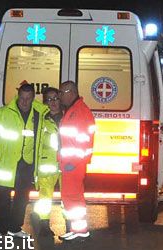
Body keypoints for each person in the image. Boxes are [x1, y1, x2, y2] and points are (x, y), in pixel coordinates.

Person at [0, 83, 49, 238]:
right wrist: (1, 149)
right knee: (2, 198)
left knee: (22, 198)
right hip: (6, 163)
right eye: (22, 98)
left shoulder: (39, 114)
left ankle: (14, 228)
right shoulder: (3, 113)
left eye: (28, 98)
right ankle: (0, 229)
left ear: (33, 98)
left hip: (26, 164)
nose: (25, 102)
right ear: (17, 96)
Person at [57, 80, 95, 241]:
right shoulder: (74, 110)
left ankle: (80, 230)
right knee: (71, 198)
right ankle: (77, 229)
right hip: (70, 163)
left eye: (61, 93)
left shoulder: (78, 112)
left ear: (71, 92)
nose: (59, 97)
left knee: (73, 198)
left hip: (73, 164)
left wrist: (74, 163)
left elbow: (84, 142)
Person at [31, 87, 61, 237]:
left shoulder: (68, 116)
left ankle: (70, 226)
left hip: (64, 163)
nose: (53, 102)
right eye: (49, 99)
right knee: (45, 198)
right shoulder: (41, 118)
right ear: (44, 102)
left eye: (56, 98)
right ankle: (44, 225)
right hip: (46, 164)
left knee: (68, 196)